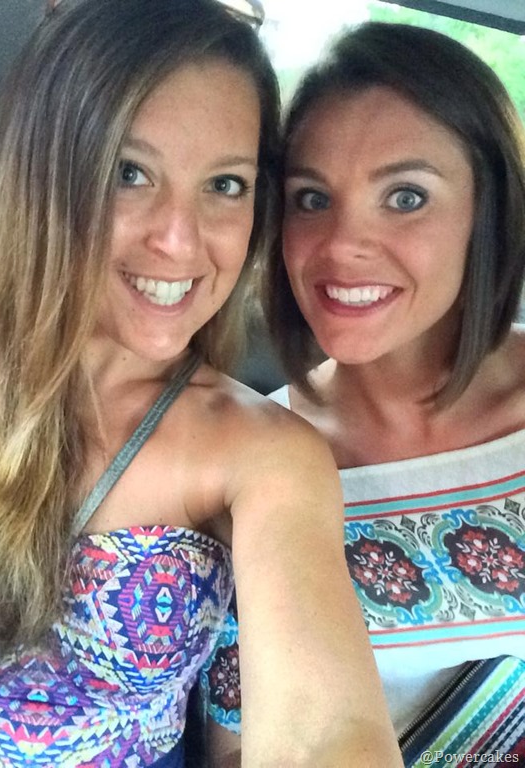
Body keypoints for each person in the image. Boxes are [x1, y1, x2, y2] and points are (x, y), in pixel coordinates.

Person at [0, 1, 402, 766]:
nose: (179, 239)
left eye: (224, 184)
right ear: (46, 177)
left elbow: (325, 734)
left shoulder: (264, 455)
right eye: (131, 174)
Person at [202, 19, 525, 754]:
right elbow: (241, 744)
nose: (343, 245)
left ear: (488, 211)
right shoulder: (254, 464)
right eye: (312, 199)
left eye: (406, 197)